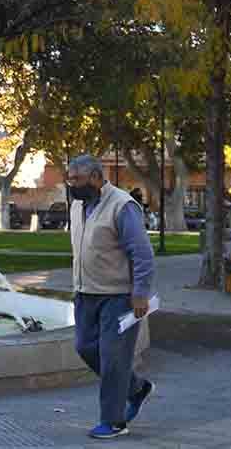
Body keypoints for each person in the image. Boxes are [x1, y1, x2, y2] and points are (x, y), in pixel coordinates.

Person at [67, 154, 156, 440]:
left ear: (95, 177)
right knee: (84, 347)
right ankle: (136, 388)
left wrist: (140, 292)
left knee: (113, 358)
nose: (72, 185)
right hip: (85, 294)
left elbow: (142, 253)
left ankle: (113, 421)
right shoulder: (78, 206)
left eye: (77, 179)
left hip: (117, 297)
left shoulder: (123, 206)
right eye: (70, 179)